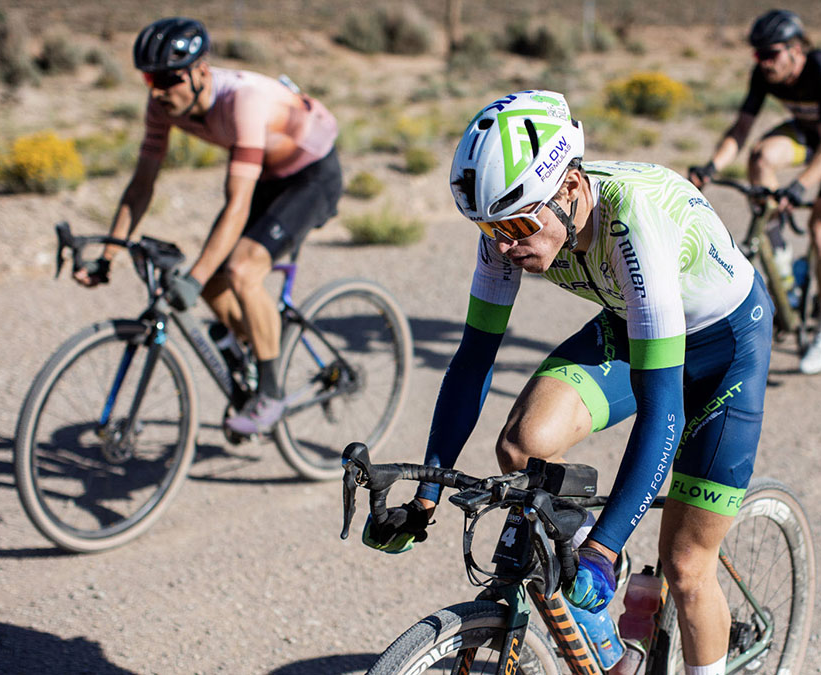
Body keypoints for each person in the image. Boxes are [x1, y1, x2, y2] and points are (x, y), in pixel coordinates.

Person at [363, 90, 774, 675]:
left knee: (686, 568)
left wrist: (602, 549)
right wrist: (425, 495)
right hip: (633, 324)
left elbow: (665, 411)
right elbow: (473, 360)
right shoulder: (512, 228)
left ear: (572, 190)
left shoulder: (635, 221)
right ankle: (610, 607)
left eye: (520, 224)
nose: (505, 245)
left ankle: (621, 572)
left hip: (724, 346)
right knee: (521, 446)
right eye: (490, 228)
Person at [73, 17, 343, 434]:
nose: (160, 91)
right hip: (266, 176)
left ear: (201, 71)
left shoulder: (243, 100)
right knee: (216, 285)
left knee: (241, 270)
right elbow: (141, 184)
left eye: (168, 78)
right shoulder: (162, 104)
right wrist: (108, 253)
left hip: (311, 174)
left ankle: (269, 395)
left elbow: (237, 203)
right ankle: (258, 343)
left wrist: (192, 278)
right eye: (149, 79)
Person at [689, 9, 821, 375]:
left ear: (795, 49)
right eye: (758, 54)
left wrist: (801, 185)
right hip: (809, 131)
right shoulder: (763, 74)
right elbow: (741, 129)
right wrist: (711, 167)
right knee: (760, 157)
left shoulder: (820, 66)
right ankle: (785, 270)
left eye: (771, 53)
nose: (764, 62)